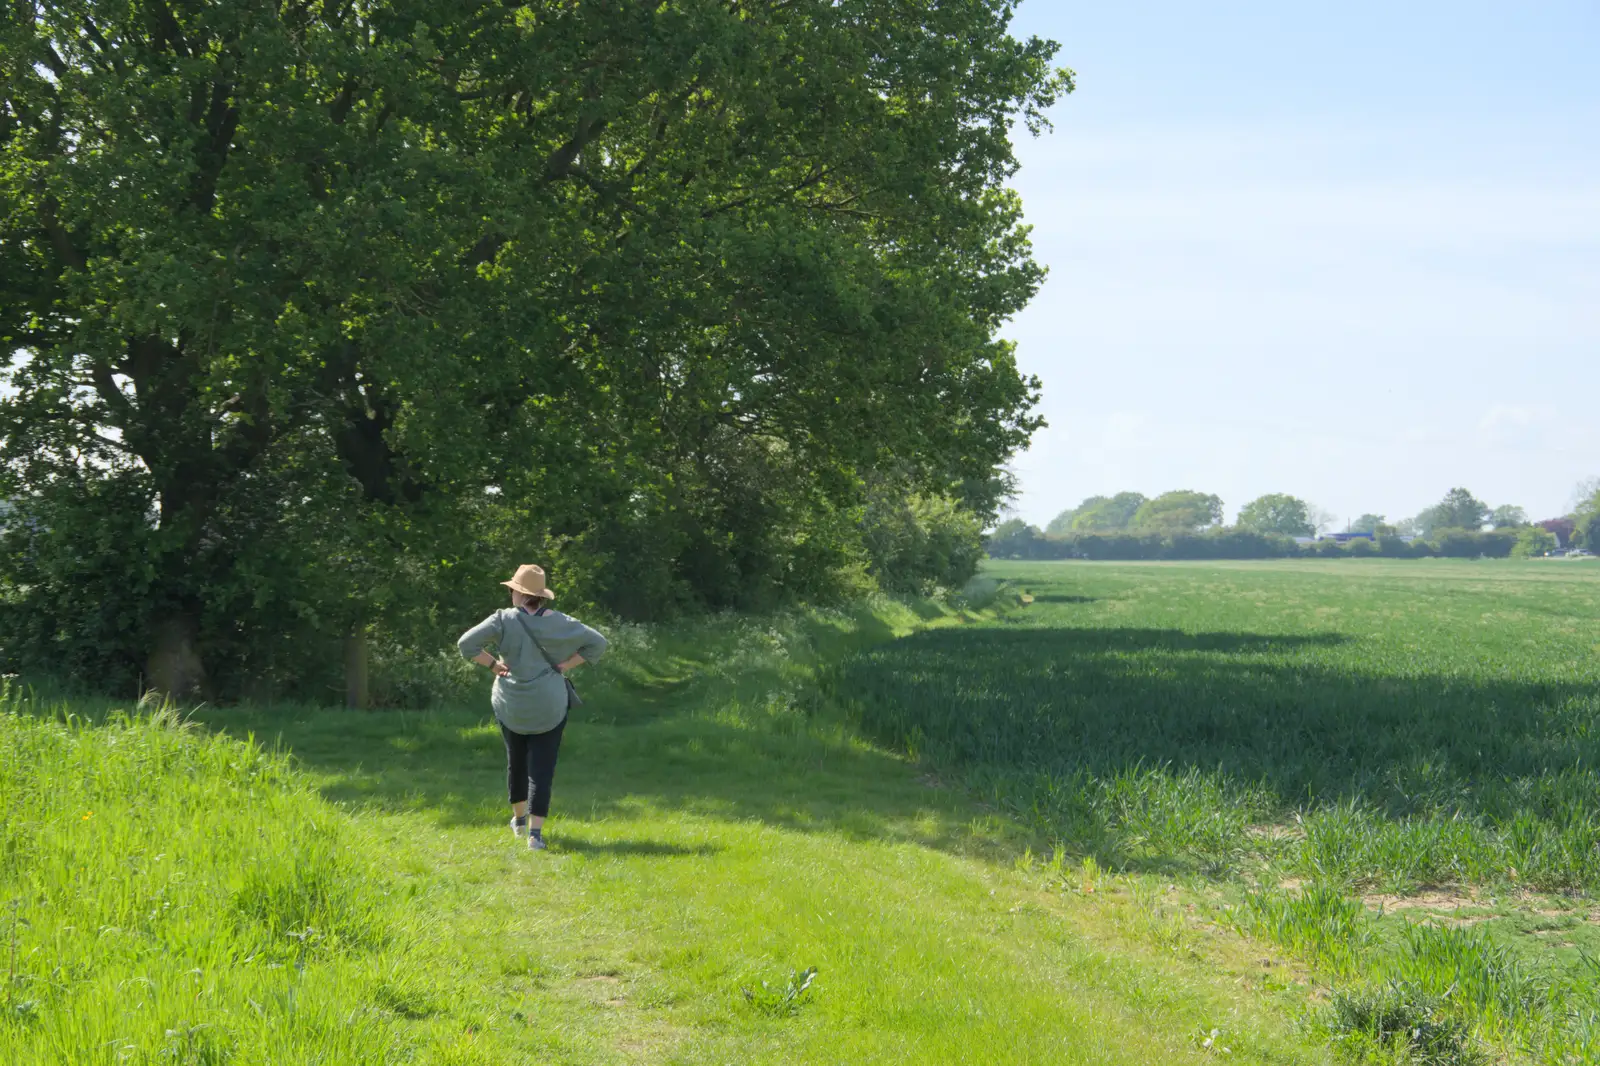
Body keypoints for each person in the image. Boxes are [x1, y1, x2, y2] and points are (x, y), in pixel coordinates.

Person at [457, 564, 608, 850]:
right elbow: (598, 644)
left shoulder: (502, 619)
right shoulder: (563, 621)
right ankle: (535, 835)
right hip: (549, 703)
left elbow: (466, 644)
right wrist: (566, 664)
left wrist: (492, 664)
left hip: (510, 703)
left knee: (516, 760)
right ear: (541, 595)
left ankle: (518, 821)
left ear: (516, 592)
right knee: (543, 767)